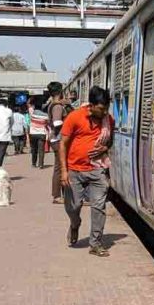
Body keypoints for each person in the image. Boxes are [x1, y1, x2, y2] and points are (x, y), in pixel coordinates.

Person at [59, 86, 114, 257]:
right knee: (73, 207)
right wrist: (64, 171)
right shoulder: (74, 117)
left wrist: (104, 147)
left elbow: (110, 141)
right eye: (101, 108)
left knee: (99, 206)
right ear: (91, 105)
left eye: (106, 108)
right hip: (74, 170)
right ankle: (75, 224)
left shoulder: (108, 120)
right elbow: (63, 144)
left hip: (97, 170)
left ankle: (95, 244)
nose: (104, 111)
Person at [47, 82, 73, 204]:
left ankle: (60, 194)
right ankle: (57, 196)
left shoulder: (54, 104)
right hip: (58, 139)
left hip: (56, 138)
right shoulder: (57, 106)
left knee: (60, 166)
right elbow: (57, 122)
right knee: (59, 167)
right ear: (60, 91)